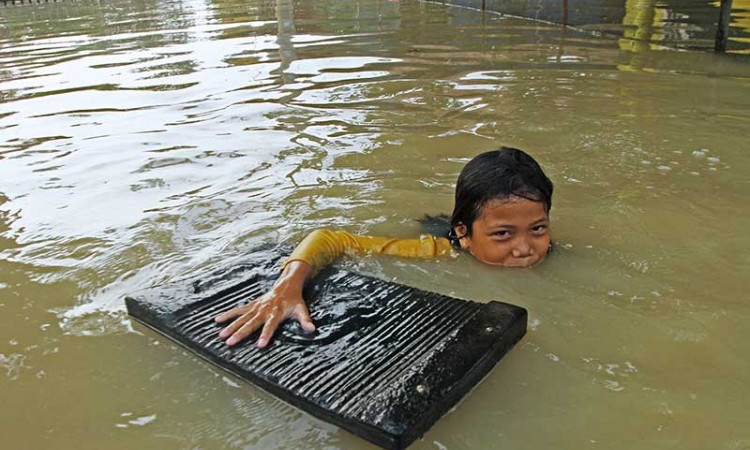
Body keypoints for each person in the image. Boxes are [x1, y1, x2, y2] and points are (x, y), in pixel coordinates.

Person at [215, 146, 554, 348]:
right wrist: (286, 286)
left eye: (537, 228)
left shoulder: (551, 250)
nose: (524, 248)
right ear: (464, 234)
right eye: (503, 235)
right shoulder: (435, 252)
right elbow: (332, 238)